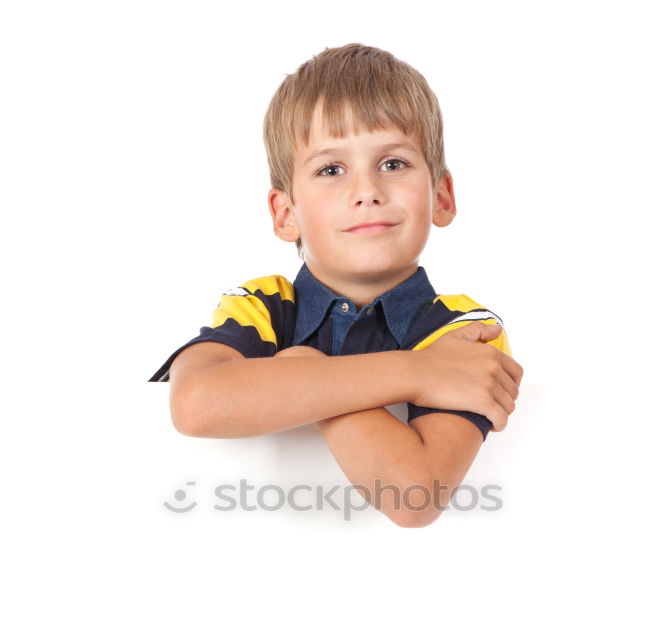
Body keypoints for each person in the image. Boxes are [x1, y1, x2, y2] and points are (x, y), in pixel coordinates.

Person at [148, 43, 523, 528]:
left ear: (442, 196)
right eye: (331, 170)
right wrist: (417, 373)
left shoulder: (464, 331)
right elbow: (197, 405)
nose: (366, 191)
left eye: (393, 163)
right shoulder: (264, 305)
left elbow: (412, 498)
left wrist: (303, 372)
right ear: (286, 215)